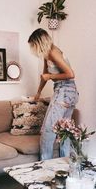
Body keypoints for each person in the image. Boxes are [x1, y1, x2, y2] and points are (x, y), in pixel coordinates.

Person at [28, 28, 79, 160]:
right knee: (64, 131)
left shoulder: (53, 52)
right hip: (70, 92)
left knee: (47, 131)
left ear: (39, 42)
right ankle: (65, 167)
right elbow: (44, 75)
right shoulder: (47, 54)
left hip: (64, 91)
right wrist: (38, 92)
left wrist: (50, 76)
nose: (33, 49)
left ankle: (45, 168)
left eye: (33, 45)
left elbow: (70, 74)